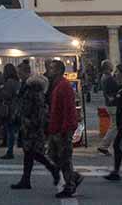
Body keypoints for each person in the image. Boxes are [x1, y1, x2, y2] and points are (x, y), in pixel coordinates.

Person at [10, 67, 60, 190]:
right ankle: (26, 179)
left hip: (30, 127)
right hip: (35, 127)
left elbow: (27, 110)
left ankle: (52, 169)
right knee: (30, 154)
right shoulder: (39, 93)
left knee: (32, 153)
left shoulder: (30, 93)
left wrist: (21, 119)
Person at [47, 60, 82, 198]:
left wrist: (66, 127)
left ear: (58, 70)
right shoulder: (58, 85)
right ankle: (73, 177)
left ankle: (70, 185)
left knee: (64, 157)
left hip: (62, 127)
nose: (49, 70)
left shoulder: (64, 86)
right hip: (56, 126)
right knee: (54, 155)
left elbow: (68, 109)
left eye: (52, 68)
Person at [97, 59, 119, 155]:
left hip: (109, 105)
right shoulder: (109, 78)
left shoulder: (104, 77)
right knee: (114, 126)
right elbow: (114, 90)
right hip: (113, 105)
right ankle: (104, 145)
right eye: (111, 65)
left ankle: (117, 144)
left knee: (115, 125)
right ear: (108, 67)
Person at [0, 63, 21, 159]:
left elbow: (6, 95)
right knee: (15, 129)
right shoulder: (18, 81)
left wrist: (2, 89)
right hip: (17, 107)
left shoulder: (9, 82)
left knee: (10, 130)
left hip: (9, 108)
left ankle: (10, 151)